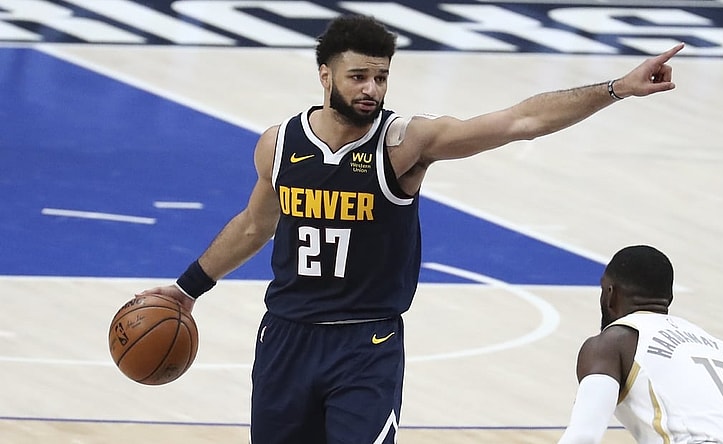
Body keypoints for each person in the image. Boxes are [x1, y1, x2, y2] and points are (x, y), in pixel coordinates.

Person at [138, 14, 685, 444]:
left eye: (380, 77)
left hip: (366, 343)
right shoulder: (279, 144)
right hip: (286, 336)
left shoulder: (405, 144)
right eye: (358, 77)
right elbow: (254, 226)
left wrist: (616, 88)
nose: (372, 89)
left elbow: (520, 121)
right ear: (325, 75)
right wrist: (187, 290)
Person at [557, 245, 723, 444]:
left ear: (610, 294)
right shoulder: (720, 349)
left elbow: (583, 436)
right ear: (669, 298)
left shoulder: (613, 342)